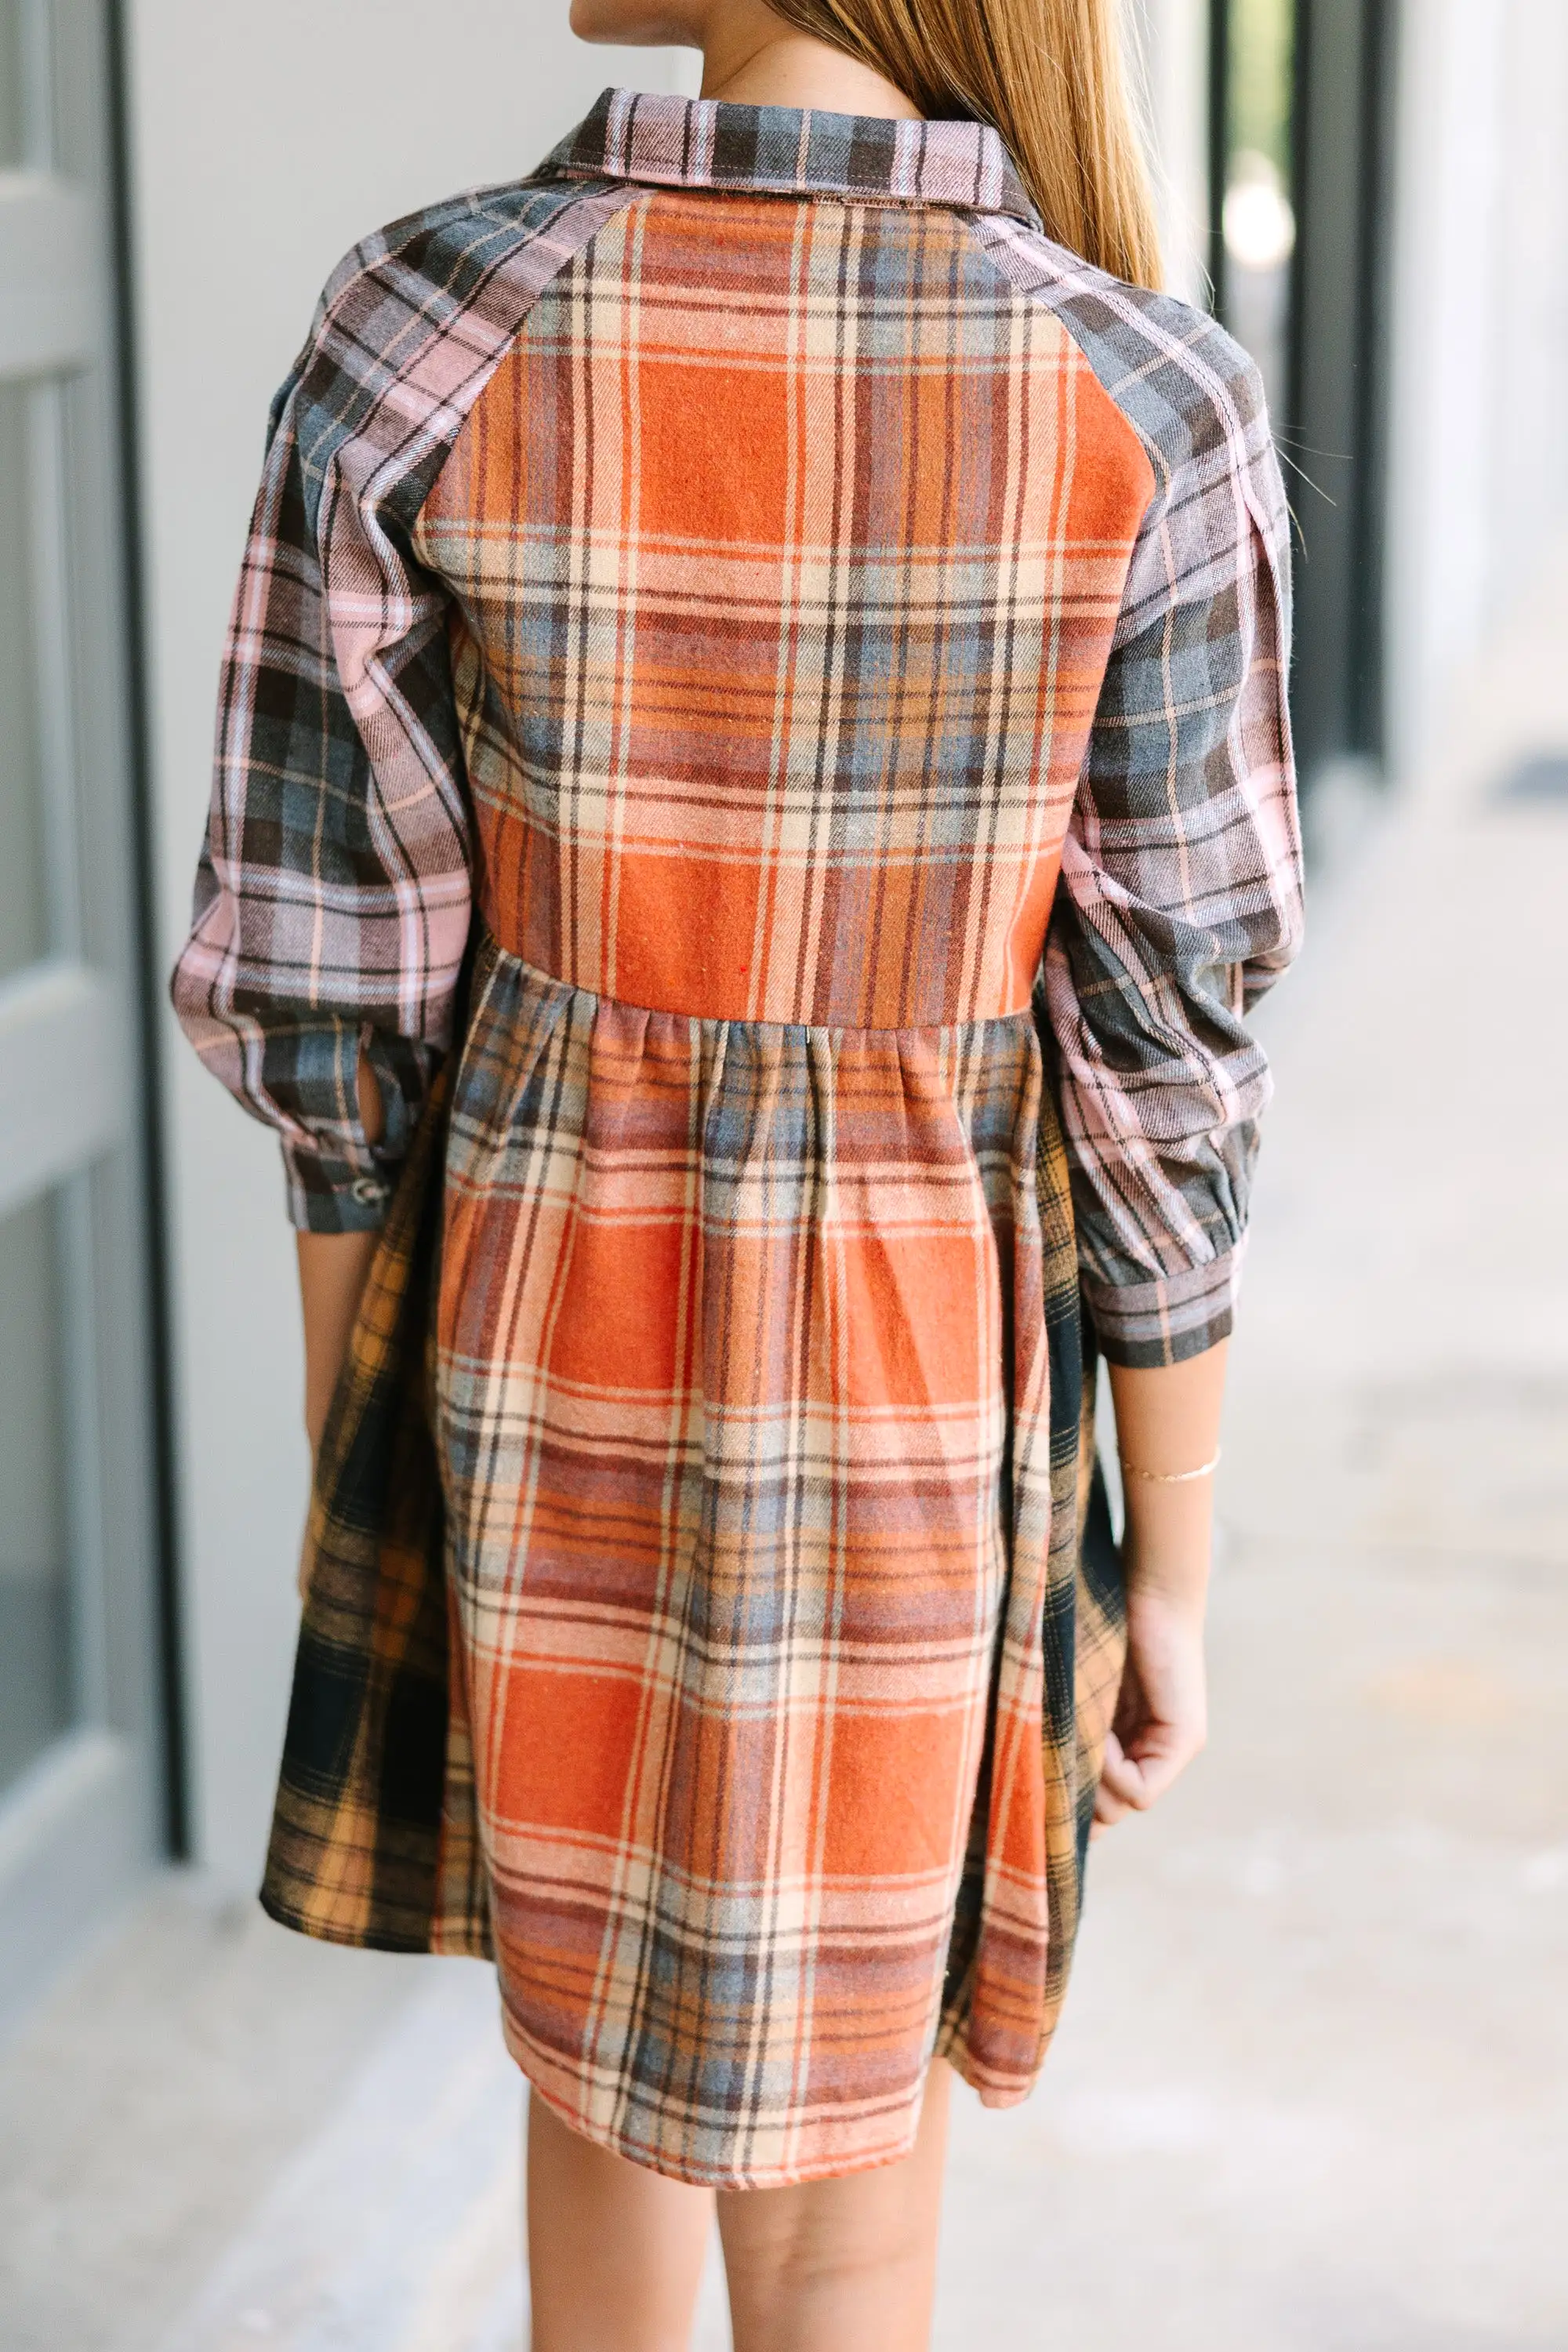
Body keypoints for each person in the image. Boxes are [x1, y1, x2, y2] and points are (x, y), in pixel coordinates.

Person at [171, 0, 1303, 2343]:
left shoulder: (432, 315)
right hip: (923, 1368)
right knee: (850, 2170)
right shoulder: (1141, 392)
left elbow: (327, 981)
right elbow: (1167, 1040)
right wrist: (1169, 1554)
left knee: (587, 2096)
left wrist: (352, 1436)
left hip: (535, 1329)